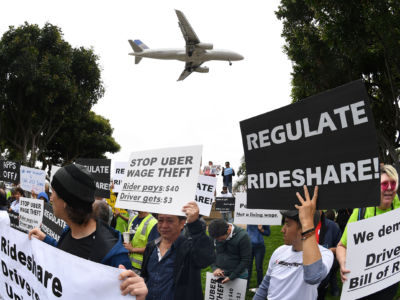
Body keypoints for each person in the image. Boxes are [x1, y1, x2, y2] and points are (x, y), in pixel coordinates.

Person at [28, 163, 132, 269]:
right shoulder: (69, 230)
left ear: (66, 201)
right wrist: (45, 239)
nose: (51, 197)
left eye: (53, 192)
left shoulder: (115, 258)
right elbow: (69, 255)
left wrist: (139, 285)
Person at [253, 186, 334, 300]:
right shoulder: (279, 251)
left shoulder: (324, 254)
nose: (283, 229)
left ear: (303, 227)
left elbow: (312, 276)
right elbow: (264, 288)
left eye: (287, 224)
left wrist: (307, 223)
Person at [336, 164, 400, 299]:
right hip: (363, 285)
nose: (389, 188)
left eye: (393, 184)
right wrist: (343, 263)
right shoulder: (362, 211)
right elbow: (341, 246)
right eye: (384, 184)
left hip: (390, 282)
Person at [140, 201, 215, 300]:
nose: (164, 225)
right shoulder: (151, 247)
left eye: (170, 221)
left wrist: (195, 224)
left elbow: (205, 259)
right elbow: (145, 277)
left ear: (182, 223)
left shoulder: (189, 248)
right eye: (160, 220)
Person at [209, 218, 252, 284]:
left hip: (239, 276)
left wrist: (232, 276)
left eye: (221, 239)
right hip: (220, 274)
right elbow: (210, 252)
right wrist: (214, 268)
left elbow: (246, 259)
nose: (218, 241)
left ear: (228, 230)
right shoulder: (215, 234)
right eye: (216, 239)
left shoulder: (243, 237)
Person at [316, 211, 341, 299]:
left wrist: (329, 251)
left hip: (327, 267)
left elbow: (341, 247)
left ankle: (335, 290)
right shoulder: (301, 224)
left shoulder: (332, 226)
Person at [247, 225, 270, 291]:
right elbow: (248, 231)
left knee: (258, 267)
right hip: (249, 246)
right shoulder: (249, 219)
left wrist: (261, 229)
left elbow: (268, 233)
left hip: (259, 248)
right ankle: (246, 285)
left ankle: (260, 286)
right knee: (248, 267)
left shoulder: (263, 221)